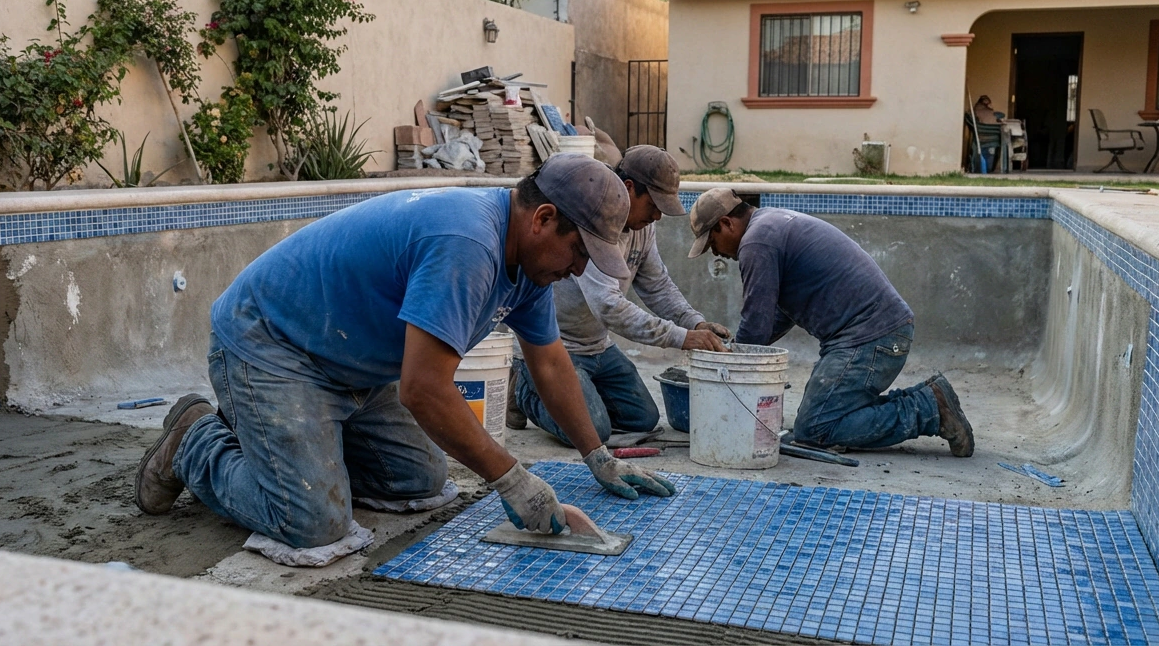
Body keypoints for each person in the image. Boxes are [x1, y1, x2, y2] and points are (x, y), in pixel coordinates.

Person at [134, 155, 676, 554]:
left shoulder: (529, 267)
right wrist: (513, 480)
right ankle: (197, 438)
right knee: (313, 525)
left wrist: (595, 455)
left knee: (420, 482)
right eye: (579, 251)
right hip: (271, 347)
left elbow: (552, 363)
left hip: (352, 366)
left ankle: (303, 446)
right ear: (542, 219)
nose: (579, 270)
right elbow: (423, 389)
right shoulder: (469, 245)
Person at [685, 188, 974, 456]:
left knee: (815, 429)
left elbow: (755, 325)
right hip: (875, 334)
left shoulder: (756, 242)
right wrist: (734, 349)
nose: (716, 252)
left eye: (712, 242)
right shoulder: (770, 225)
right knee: (820, 420)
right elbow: (777, 316)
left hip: (871, 338)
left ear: (726, 223)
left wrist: (726, 373)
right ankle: (930, 399)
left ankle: (928, 409)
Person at [512, 146, 730, 445]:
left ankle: (581, 392)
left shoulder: (643, 229)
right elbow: (608, 305)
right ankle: (523, 389)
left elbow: (657, 285)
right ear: (628, 189)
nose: (657, 216)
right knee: (592, 432)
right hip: (556, 346)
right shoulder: (595, 221)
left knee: (642, 419)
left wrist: (694, 323)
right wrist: (680, 338)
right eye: (654, 204)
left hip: (598, 346)